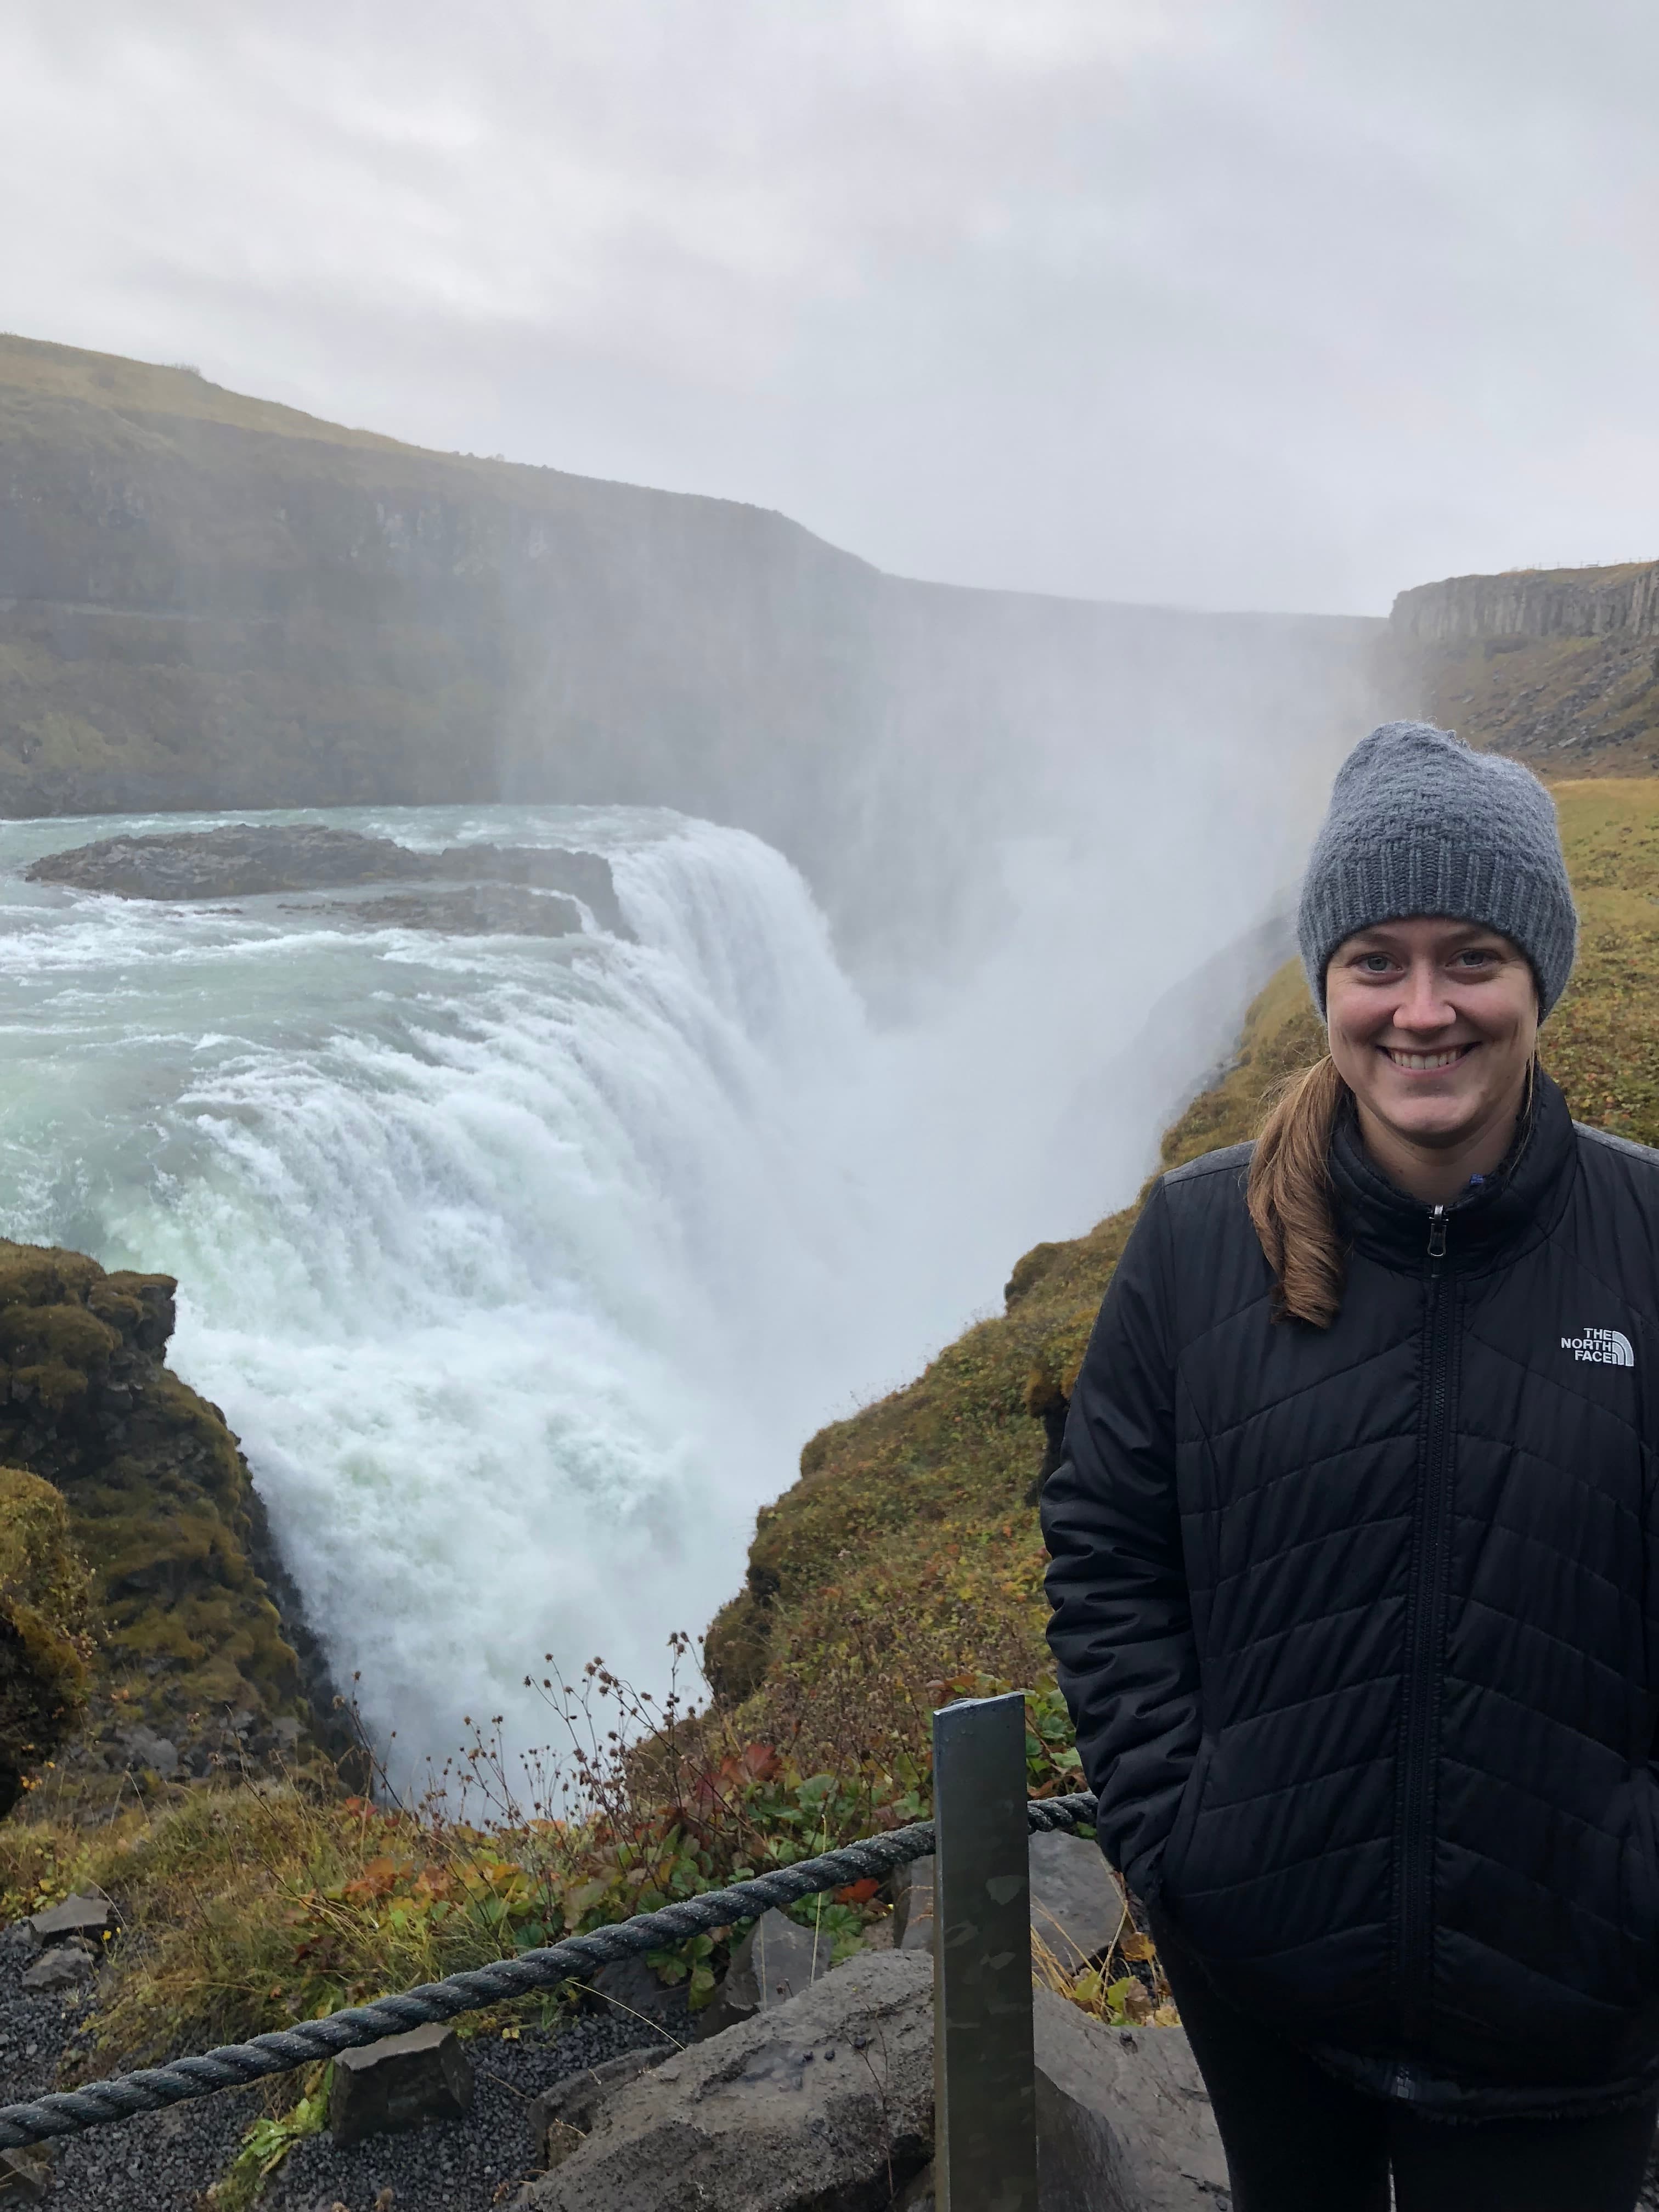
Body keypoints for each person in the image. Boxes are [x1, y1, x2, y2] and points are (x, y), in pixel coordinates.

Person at [1042, 721, 1659, 2211]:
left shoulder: (1646, 1245)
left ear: (1540, 981)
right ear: (1324, 980)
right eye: (1378, 958)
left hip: (1565, 2013)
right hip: (1268, 1985)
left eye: (1473, 959)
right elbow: (1108, 1540)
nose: (1423, 1010)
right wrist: (1182, 1833)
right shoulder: (1198, 1245)